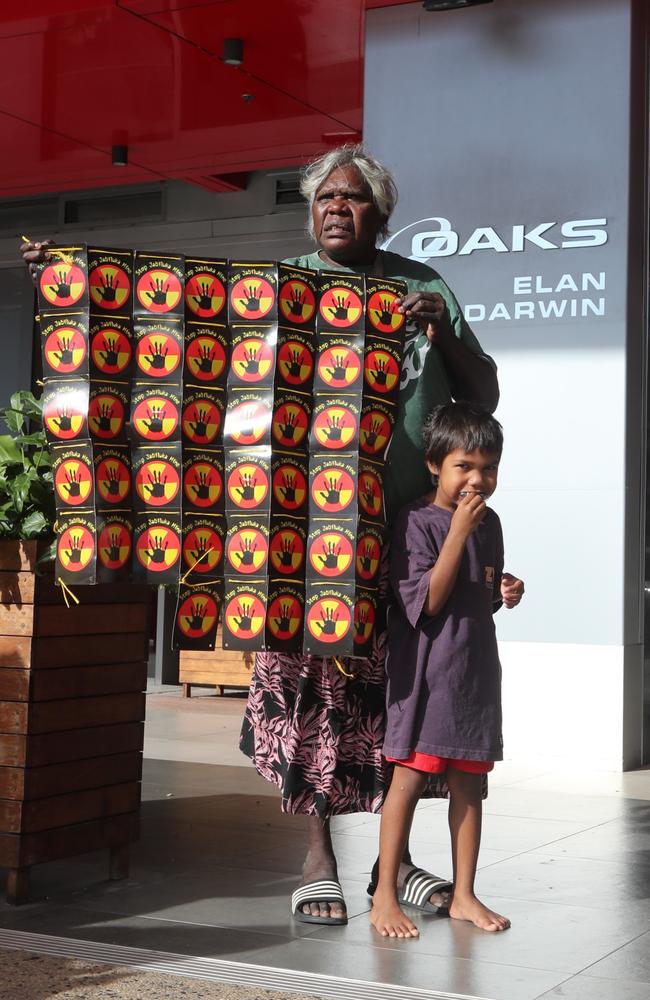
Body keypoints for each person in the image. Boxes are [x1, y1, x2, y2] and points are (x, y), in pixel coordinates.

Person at [20, 145, 499, 926]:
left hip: (402, 534)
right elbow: (168, 326)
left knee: (402, 696)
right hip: (296, 537)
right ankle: (316, 857)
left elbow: (483, 393)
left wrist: (442, 333)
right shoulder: (281, 287)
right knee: (306, 689)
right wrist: (72, 278)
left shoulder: (423, 287)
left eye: (353, 199)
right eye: (325, 200)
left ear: (382, 213)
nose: (337, 209)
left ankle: (396, 859)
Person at [370, 402, 524, 938]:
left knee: (470, 787)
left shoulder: (491, 522)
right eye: (465, 466)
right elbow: (428, 603)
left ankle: (464, 894)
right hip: (427, 680)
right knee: (408, 782)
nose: (477, 479)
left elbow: (477, 591)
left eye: (489, 468)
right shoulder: (416, 522)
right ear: (435, 465)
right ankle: (384, 894)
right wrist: (457, 531)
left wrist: (504, 589)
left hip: (475, 675)